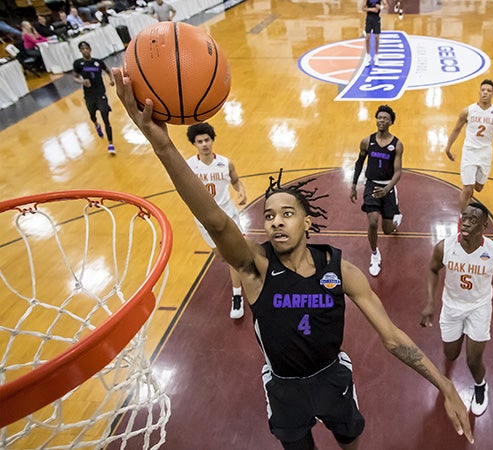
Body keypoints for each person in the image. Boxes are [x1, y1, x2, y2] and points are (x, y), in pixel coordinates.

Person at [113, 67, 474, 449]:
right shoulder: (255, 267)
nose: (275, 222)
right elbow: (216, 222)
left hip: (333, 377)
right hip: (284, 390)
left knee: (350, 440)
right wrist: (163, 147)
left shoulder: (341, 271)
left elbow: (392, 337)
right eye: (268, 215)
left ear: (306, 221)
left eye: (287, 213)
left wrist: (443, 382)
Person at [420, 202, 493, 416]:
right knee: (450, 354)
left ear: (484, 225)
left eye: (473, 219)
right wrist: (430, 301)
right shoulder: (445, 247)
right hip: (451, 306)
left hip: (479, 307)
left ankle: (480, 386)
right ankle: (458, 338)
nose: (466, 222)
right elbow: (433, 270)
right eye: (465, 217)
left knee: (473, 359)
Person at [185, 122, 248, 319]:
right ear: (194, 144)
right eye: (200, 141)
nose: (204, 144)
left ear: (212, 140)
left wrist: (242, 191)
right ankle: (245, 268)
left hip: (227, 213)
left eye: (207, 140)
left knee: (233, 256)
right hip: (204, 219)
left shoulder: (225, 163)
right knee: (220, 255)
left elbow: (236, 180)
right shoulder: (189, 166)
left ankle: (237, 294)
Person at [350, 104, 403, 277]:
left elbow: (398, 172)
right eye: (379, 117)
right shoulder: (367, 141)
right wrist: (353, 185)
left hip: (387, 186)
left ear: (391, 122)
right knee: (373, 222)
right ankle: (374, 254)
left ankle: (396, 219)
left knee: (387, 229)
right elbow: (359, 163)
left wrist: (388, 188)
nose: (381, 120)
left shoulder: (397, 145)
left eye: (385, 118)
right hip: (371, 185)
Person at [444, 79, 493, 214]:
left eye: (488, 91)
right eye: (483, 90)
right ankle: (462, 218)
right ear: (479, 92)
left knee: (478, 187)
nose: (485, 93)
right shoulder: (468, 111)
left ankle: (469, 195)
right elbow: (456, 129)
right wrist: (448, 147)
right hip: (469, 152)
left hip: (485, 153)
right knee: (467, 187)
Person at [72, 41, 116, 155]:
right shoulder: (78, 63)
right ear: (80, 51)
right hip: (89, 95)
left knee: (105, 115)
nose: (85, 50)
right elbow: (75, 77)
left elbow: (108, 71)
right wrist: (82, 81)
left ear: (90, 49)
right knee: (92, 115)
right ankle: (96, 124)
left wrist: (112, 79)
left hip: (100, 93)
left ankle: (111, 143)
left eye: (86, 48)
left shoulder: (98, 62)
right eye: (82, 49)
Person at [361, 0, 387, 65]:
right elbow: (363, 8)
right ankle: (368, 55)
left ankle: (376, 56)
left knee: (377, 38)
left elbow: (386, 6)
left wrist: (381, 7)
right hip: (369, 19)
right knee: (367, 37)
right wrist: (371, 9)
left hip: (376, 19)